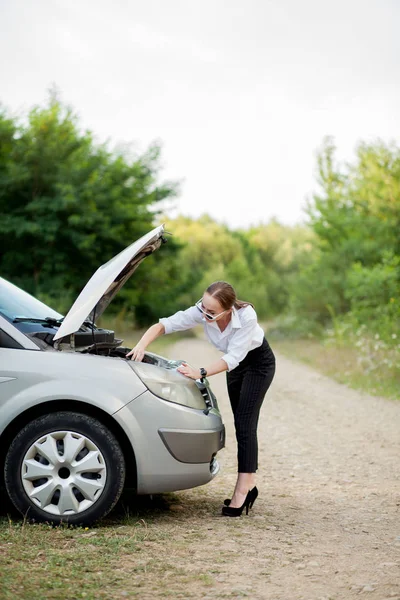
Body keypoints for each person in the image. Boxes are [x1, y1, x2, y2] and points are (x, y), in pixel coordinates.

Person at [126, 281, 276, 517]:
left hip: (258, 364)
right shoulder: (202, 311)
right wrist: (141, 345)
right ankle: (250, 485)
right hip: (234, 367)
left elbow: (235, 356)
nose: (205, 314)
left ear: (228, 310)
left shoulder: (247, 316)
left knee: (246, 424)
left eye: (212, 312)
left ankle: (243, 489)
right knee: (239, 423)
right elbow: (165, 324)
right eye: (204, 307)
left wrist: (201, 372)